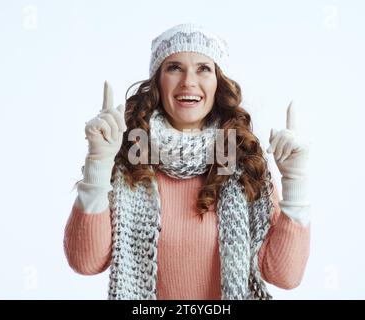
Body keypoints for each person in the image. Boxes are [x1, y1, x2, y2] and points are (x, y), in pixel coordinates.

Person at [64, 23, 311, 300]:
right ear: (157, 81)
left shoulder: (242, 162)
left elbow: (285, 276)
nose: (188, 82)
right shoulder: (131, 159)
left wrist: (295, 181)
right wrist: (98, 161)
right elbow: (85, 263)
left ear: (219, 82)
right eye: (174, 68)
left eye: (203, 68)